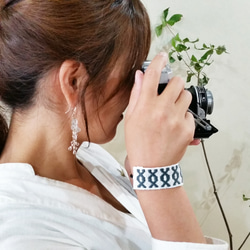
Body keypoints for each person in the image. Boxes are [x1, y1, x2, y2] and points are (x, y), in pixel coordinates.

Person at [0, 0, 228, 249]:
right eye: (130, 72)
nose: (135, 90)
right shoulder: (21, 233)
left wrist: (141, 173)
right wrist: (158, 177)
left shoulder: (92, 158)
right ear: (73, 81)